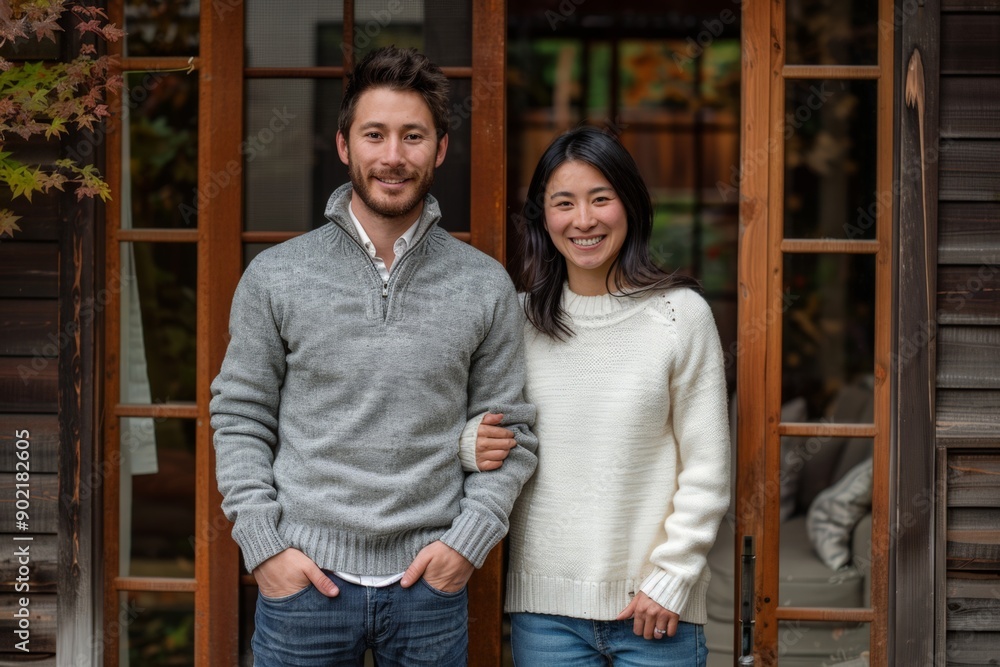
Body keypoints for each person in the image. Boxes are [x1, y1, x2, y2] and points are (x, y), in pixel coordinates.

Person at [210, 47, 538, 667]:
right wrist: (266, 549)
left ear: (439, 149)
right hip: (303, 589)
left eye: (413, 136)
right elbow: (240, 417)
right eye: (375, 134)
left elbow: (512, 434)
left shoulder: (483, 283)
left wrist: (465, 547)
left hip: (429, 590)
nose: (393, 156)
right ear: (344, 145)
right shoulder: (276, 276)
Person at [465, 126, 730, 666]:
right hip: (546, 617)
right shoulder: (516, 322)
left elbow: (707, 468)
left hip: (656, 613)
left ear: (629, 205)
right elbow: (473, 422)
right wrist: (470, 443)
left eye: (600, 199)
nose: (583, 220)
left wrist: (672, 578)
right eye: (563, 203)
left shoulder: (680, 316)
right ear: (543, 217)